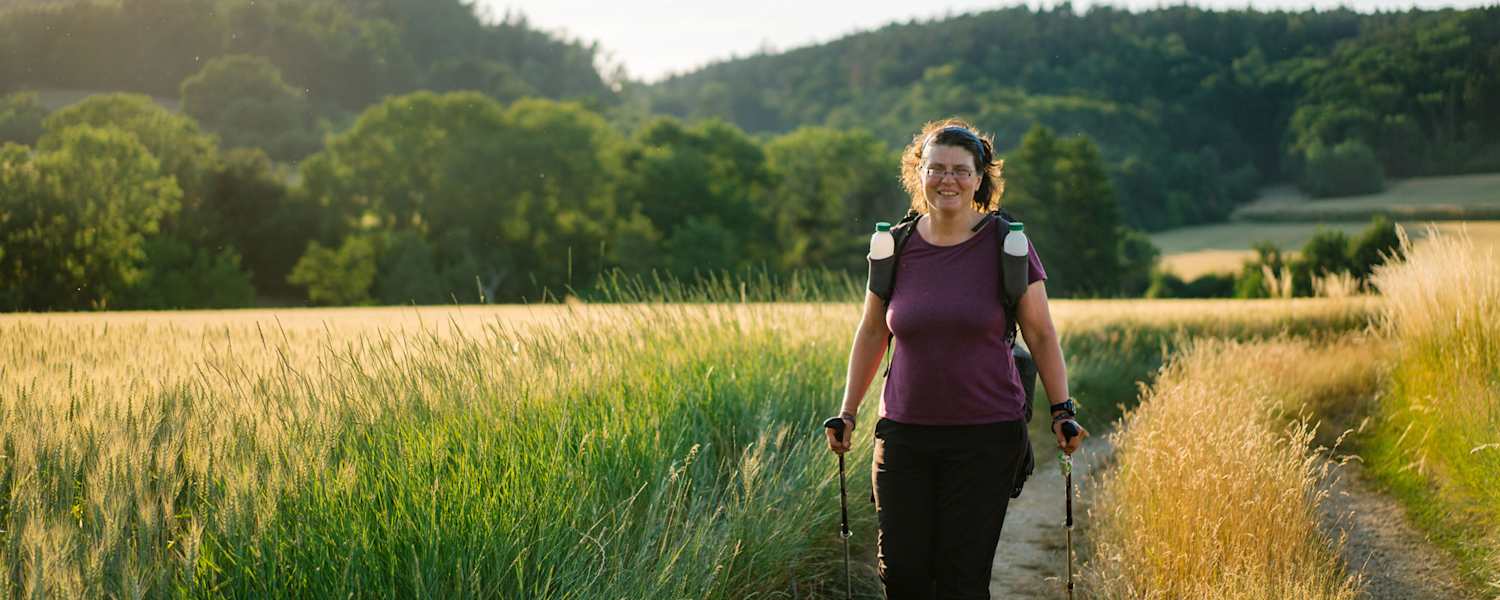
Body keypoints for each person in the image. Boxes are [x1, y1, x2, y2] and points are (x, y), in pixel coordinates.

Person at [824, 119, 1087, 599]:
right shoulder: (894, 248)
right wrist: (847, 411)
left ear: (981, 178)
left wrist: (1062, 411)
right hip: (903, 435)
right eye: (936, 168)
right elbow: (871, 332)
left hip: (986, 436)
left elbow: (1042, 335)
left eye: (961, 171)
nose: (948, 180)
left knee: (961, 580)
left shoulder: (1009, 245)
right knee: (902, 574)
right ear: (918, 174)